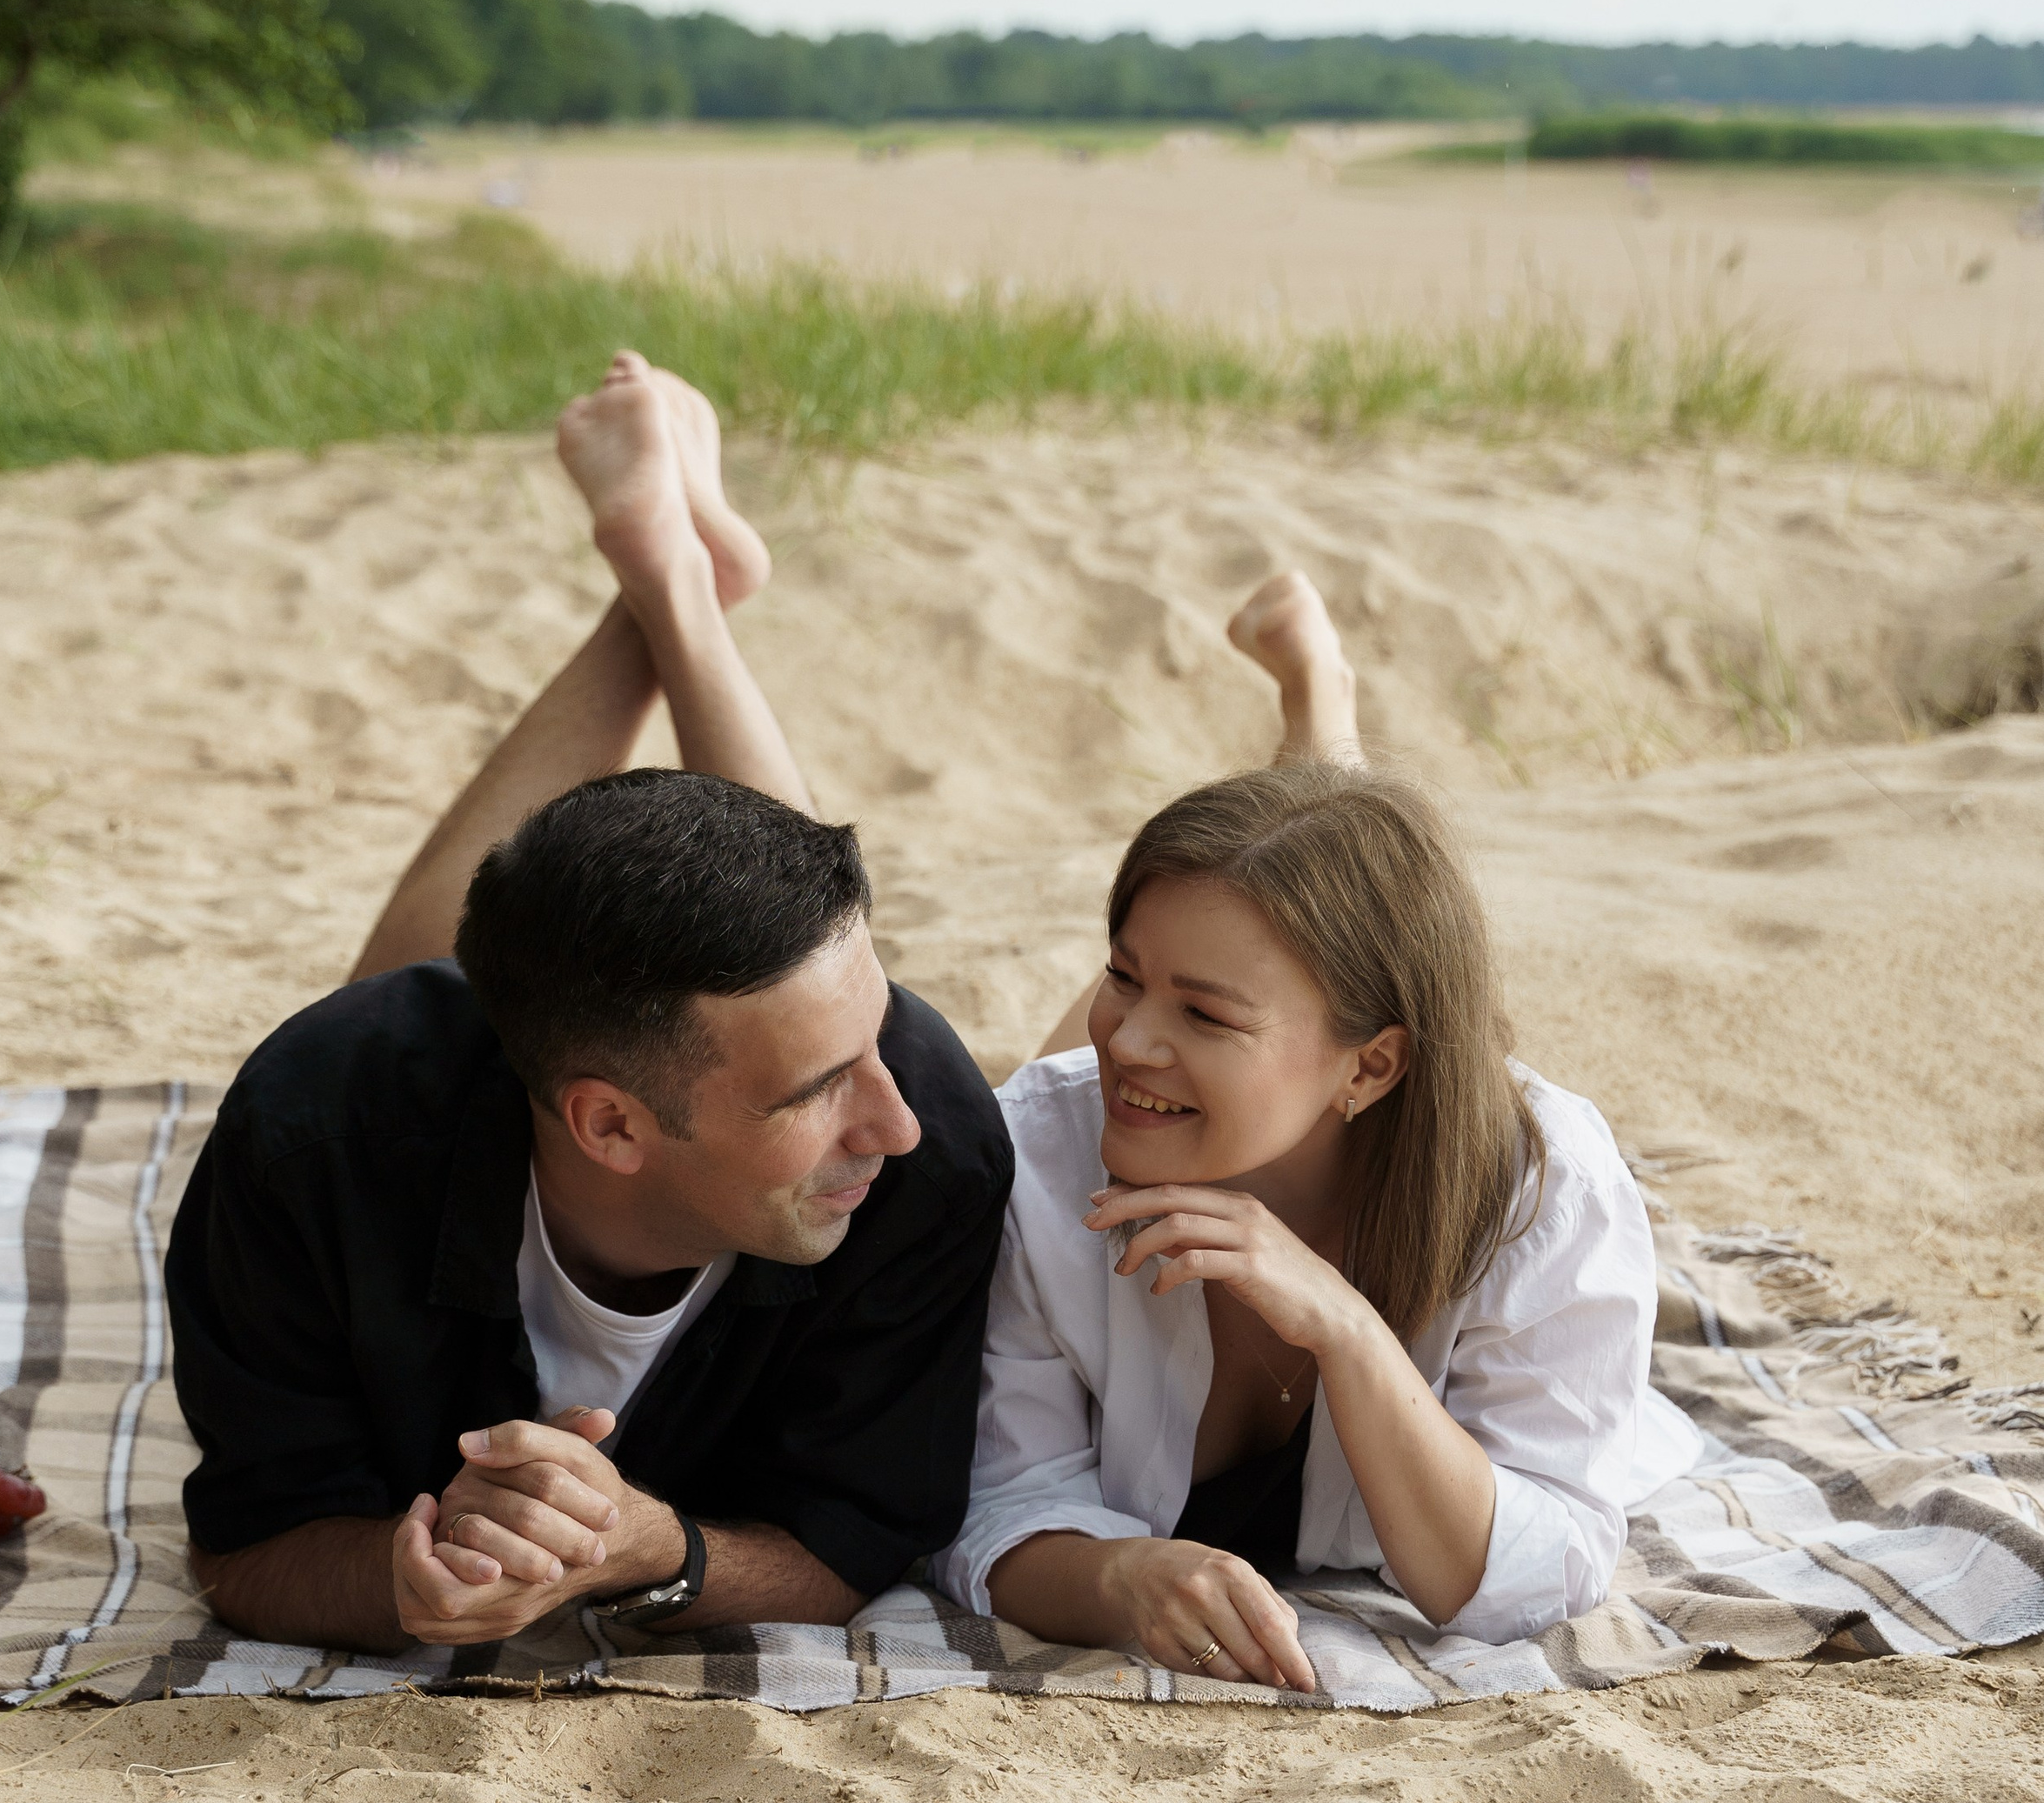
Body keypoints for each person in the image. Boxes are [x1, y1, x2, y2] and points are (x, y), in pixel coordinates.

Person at [168, 353, 1012, 1659]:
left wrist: (659, 1557)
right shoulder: (311, 1135)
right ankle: (669, 587)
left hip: (532, 1071)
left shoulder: (932, 1141)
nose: (889, 1125)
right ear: (612, 1129)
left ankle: (669, 587)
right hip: (407, 1099)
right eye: (816, 1093)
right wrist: (403, 1589)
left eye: (872, 1051)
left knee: (747, 937)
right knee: (401, 1021)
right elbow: (247, 1543)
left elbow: (851, 1542)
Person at [931, 571, 1703, 1688]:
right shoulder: (1033, 1166)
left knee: (1313, 935)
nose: (1127, 1036)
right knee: (1060, 1087)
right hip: (1222, 1087)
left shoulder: (1545, 1184)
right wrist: (1117, 1577)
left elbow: (1541, 1569)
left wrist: (1345, 1329)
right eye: (1116, 973)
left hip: (1388, 1098)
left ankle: (1320, 717)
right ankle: (1317, 733)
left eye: (1204, 1011)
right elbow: (990, 1504)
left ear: (1372, 1067)